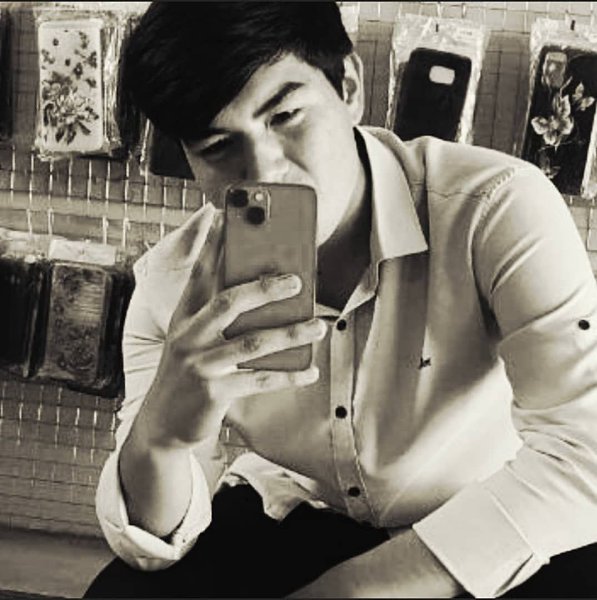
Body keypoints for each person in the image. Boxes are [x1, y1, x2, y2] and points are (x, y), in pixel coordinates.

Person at [86, 2, 597, 598]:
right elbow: (154, 544)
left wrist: (345, 592)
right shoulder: (172, 281)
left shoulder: (494, 209)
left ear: (349, 86)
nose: (264, 170)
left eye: (285, 116)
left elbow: (583, 454)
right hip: (297, 511)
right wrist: (162, 436)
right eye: (218, 146)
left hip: (481, 512)